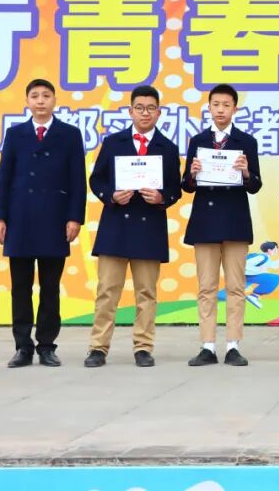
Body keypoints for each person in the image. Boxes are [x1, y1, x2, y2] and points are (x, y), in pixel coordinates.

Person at [0, 79, 86, 368]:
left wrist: (74, 217)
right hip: (19, 219)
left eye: (46, 95)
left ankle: (46, 346)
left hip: (54, 219)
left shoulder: (69, 135)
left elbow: (77, 180)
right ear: (27, 101)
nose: (40, 100)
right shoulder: (15, 134)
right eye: (35, 96)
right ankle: (23, 346)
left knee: (50, 287)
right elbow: (3, 177)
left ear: (54, 100)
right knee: (20, 287)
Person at [84, 85, 181, 368]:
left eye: (151, 108)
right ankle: (98, 347)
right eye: (139, 108)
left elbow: (175, 188)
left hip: (149, 229)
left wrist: (162, 198)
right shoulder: (114, 142)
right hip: (115, 226)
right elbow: (96, 179)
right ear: (130, 111)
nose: (145, 113)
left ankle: (143, 347)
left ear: (159, 112)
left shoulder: (167, 147)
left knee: (146, 293)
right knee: (107, 291)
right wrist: (111, 195)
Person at [181, 83, 262, 367]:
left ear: (235, 109)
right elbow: (186, 185)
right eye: (216, 104)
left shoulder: (246, 141)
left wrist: (246, 172)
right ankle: (207, 346)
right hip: (205, 222)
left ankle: (233, 346)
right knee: (206, 287)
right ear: (209, 107)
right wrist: (192, 174)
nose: (220, 110)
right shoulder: (198, 141)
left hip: (235, 221)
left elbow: (256, 185)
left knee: (236, 287)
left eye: (226, 105)